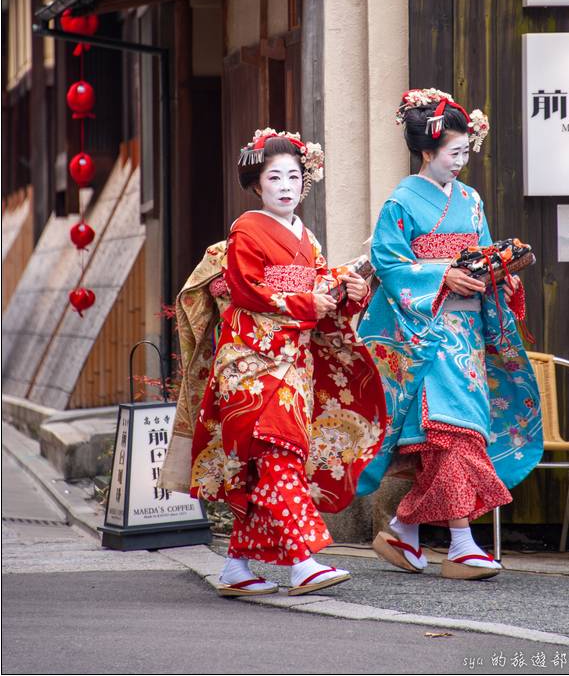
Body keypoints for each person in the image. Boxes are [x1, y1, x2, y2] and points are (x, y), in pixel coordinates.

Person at [160, 128, 386, 597]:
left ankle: (237, 567)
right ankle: (304, 562)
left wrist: (348, 289)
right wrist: (309, 302)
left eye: (294, 176)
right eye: (274, 176)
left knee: (270, 464)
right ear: (257, 184)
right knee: (278, 453)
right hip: (250, 362)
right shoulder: (247, 229)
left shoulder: (307, 236)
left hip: (293, 363)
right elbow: (247, 291)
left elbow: (323, 289)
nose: (286, 185)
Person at [356, 90, 542, 580]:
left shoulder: (471, 200)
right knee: (448, 434)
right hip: (426, 332)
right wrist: (442, 274)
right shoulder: (401, 201)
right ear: (427, 152)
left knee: (462, 432)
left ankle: (404, 532)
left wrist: (501, 274)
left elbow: (481, 257)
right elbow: (390, 263)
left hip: (467, 334)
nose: (461, 162)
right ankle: (461, 543)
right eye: (453, 153)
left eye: (465, 152)